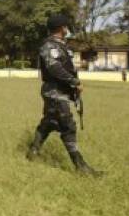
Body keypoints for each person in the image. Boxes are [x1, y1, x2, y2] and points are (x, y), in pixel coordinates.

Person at [27, 14, 102, 176]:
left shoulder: (61, 46)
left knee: (49, 122)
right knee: (68, 126)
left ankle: (33, 151)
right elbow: (54, 68)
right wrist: (74, 82)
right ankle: (80, 166)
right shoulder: (50, 46)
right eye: (66, 27)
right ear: (61, 28)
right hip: (55, 92)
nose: (67, 29)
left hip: (60, 92)